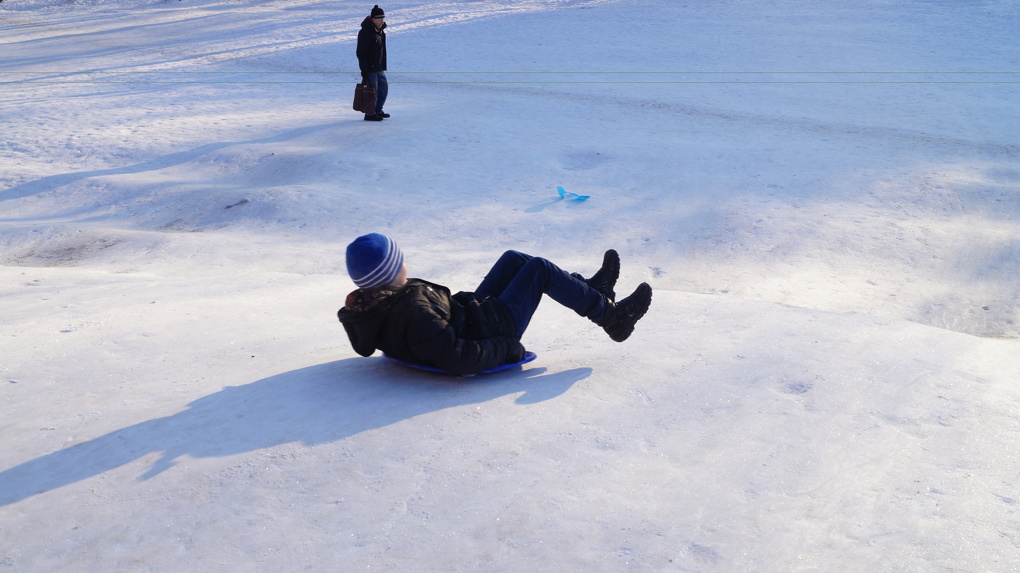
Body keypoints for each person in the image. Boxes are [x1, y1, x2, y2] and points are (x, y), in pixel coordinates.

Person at [337, 233, 653, 376]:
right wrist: (506, 348)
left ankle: (593, 292)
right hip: (493, 328)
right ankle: (613, 318)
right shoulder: (413, 309)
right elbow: (455, 357)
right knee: (539, 269)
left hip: (473, 315)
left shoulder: (377, 305)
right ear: (391, 272)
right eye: (400, 261)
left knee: (513, 259)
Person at [357, 5, 389, 121]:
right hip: (369, 68)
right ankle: (370, 113)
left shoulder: (380, 31)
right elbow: (361, 52)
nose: (382, 22)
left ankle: (378, 109)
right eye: (380, 20)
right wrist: (364, 70)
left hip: (379, 66)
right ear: (373, 19)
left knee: (383, 89)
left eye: (383, 20)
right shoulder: (365, 32)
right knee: (372, 91)